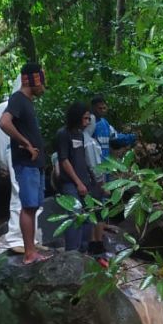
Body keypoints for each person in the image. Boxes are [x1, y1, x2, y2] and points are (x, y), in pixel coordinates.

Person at [0, 63, 48, 265]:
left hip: (35, 164)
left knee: (33, 205)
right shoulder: (18, 98)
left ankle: (32, 249)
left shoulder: (27, 101)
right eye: (42, 81)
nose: (44, 86)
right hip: (26, 164)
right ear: (34, 79)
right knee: (28, 206)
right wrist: (25, 143)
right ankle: (29, 253)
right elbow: (4, 122)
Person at [56, 102, 106, 257]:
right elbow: (64, 160)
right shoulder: (63, 134)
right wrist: (78, 182)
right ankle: (72, 252)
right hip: (71, 183)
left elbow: (84, 159)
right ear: (76, 117)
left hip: (85, 182)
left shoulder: (80, 135)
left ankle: (83, 251)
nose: (88, 122)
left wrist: (94, 182)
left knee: (87, 216)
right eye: (85, 118)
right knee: (74, 215)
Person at [0, 77, 27, 252]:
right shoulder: (5, 107)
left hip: (25, 154)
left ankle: (30, 238)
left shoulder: (26, 105)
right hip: (12, 151)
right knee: (19, 193)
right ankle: (15, 238)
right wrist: (2, 162)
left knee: (30, 196)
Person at [90, 95, 137, 166]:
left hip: (106, 162)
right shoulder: (88, 123)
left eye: (104, 108)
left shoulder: (105, 123)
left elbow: (116, 137)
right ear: (93, 108)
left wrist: (132, 136)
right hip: (94, 163)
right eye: (100, 108)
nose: (102, 110)